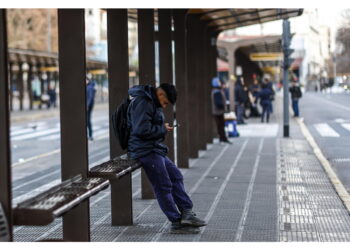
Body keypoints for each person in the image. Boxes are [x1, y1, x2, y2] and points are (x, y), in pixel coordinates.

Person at [127, 83, 206, 234]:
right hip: (145, 151)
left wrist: (161, 127)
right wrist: (162, 129)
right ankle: (176, 221)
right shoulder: (143, 102)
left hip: (154, 148)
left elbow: (147, 125)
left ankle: (187, 213)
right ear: (161, 94)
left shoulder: (151, 101)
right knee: (163, 185)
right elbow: (141, 130)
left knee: (175, 176)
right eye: (165, 103)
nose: (164, 106)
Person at [211, 77, 231, 144]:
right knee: (220, 125)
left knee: (220, 125)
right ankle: (222, 138)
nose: (220, 83)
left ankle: (222, 138)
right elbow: (218, 102)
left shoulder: (216, 90)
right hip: (218, 111)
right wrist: (224, 107)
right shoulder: (217, 91)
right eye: (219, 82)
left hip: (217, 111)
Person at [86, 76, 96, 141]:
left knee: (88, 120)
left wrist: (87, 105)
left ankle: (90, 135)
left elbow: (90, 97)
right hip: (88, 106)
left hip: (88, 107)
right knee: (87, 120)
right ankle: (89, 135)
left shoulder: (89, 87)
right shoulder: (89, 87)